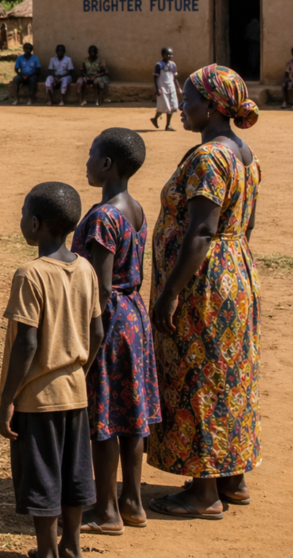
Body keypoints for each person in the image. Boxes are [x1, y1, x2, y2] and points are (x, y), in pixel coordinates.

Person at [147, 65, 261, 520]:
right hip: (235, 274)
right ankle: (232, 479)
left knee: (200, 377)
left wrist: (170, 293)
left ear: (211, 106)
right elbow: (243, 224)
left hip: (204, 284)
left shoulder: (210, 158)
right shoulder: (243, 153)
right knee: (229, 375)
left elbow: (200, 231)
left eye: (189, 100)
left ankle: (203, 492)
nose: (182, 107)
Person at [0, 182, 103, 558]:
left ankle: (46, 551)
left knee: (42, 478)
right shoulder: (86, 268)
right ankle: (71, 546)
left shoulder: (30, 274)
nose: (21, 218)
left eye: (24, 213)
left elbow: (26, 344)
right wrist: (79, 372)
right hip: (75, 393)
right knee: (74, 475)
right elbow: (97, 332)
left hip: (37, 400)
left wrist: (7, 401)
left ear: (37, 224)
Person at [73, 129, 160, 536]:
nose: (87, 160)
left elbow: (101, 285)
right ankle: (132, 501)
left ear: (107, 164)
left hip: (109, 320)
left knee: (104, 417)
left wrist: (88, 338)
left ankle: (106, 510)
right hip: (134, 318)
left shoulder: (103, 215)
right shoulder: (135, 208)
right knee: (131, 415)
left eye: (92, 155)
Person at [151, 48, 181, 130]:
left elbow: (174, 78)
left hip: (171, 87)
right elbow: (155, 77)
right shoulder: (159, 65)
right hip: (162, 88)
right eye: (167, 54)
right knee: (164, 106)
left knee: (172, 106)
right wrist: (157, 89)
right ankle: (155, 118)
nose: (170, 56)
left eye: (171, 54)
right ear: (163, 55)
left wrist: (178, 87)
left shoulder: (173, 65)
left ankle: (167, 125)